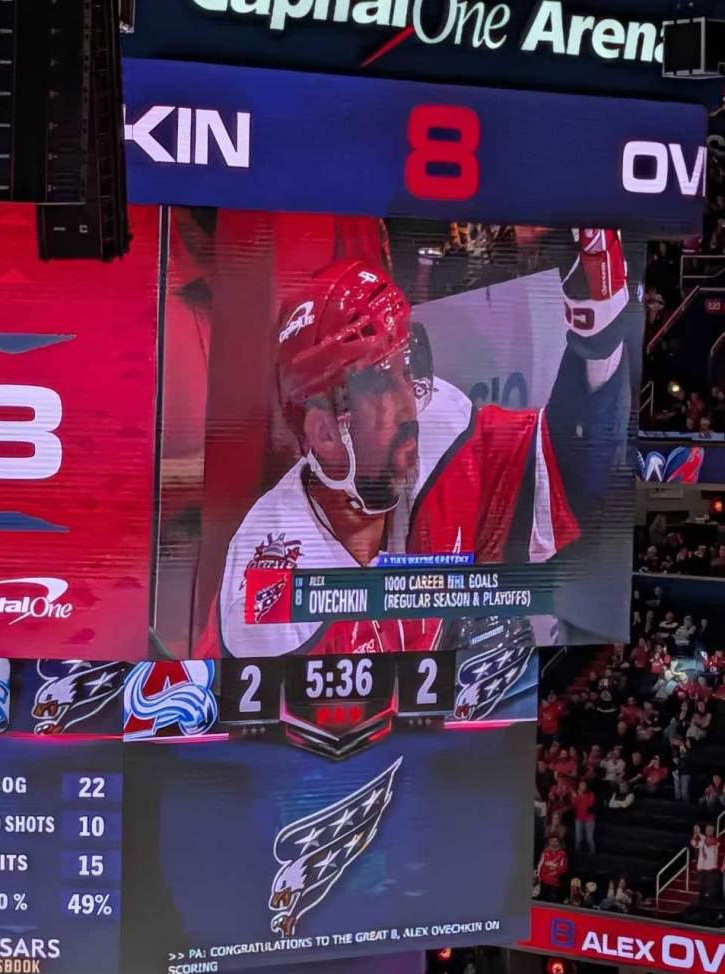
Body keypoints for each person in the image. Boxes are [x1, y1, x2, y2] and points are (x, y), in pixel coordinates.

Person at [214, 229, 636, 655]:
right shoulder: (272, 576)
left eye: (406, 368)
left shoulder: (441, 431)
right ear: (325, 433)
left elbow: (566, 476)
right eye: (382, 382)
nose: (408, 405)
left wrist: (596, 339)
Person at [691, 823, 722, 903]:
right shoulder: (702, 840)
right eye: (707, 829)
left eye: (711, 830)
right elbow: (693, 843)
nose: (709, 831)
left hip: (710, 870)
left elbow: (708, 842)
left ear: (713, 831)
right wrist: (695, 834)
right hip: (701, 868)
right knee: (701, 888)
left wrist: (699, 835)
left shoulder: (715, 840)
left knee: (710, 889)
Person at [537, 837, 568, 901]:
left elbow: (563, 868)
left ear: (559, 843)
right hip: (543, 881)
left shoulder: (562, 854)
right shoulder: (545, 852)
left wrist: (554, 873)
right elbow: (540, 865)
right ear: (549, 842)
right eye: (552, 841)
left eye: (556, 841)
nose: (554, 843)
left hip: (554, 883)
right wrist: (538, 875)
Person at [572, 779, 596, 854]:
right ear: (578, 786)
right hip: (579, 818)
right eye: (581, 785)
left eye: (584, 785)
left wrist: (579, 796)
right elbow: (574, 806)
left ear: (586, 786)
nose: (582, 786)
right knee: (578, 839)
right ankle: (577, 854)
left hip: (589, 818)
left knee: (589, 839)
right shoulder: (575, 794)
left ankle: (592, 854)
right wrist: (575, 797)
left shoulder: (591, 794)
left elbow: (590, 805)